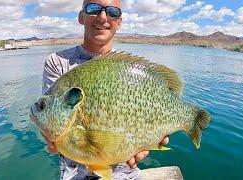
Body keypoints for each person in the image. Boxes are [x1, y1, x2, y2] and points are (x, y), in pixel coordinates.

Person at [42, 0, 169, 179]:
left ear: (119, 21)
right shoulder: (57, 62)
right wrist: (51, 137)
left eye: (112, 12)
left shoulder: (129, 69)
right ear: (81, 16)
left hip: (126, 172)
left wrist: (147, 140)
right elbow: (52, 121)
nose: (103, 17)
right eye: (93, 9)